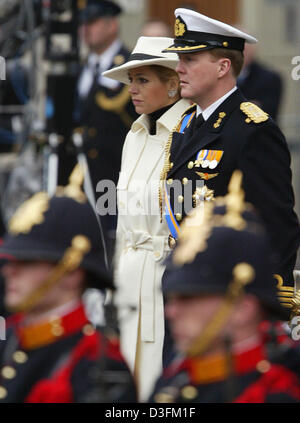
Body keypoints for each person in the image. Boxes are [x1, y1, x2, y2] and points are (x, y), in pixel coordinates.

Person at [161, 8, 300, 288]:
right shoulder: (186, 124)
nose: (179, 68)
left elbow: (278, 228)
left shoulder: (253, 129)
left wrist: (267, 302)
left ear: (223, 67)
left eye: (190, 59)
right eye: (179, 59)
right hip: (185, 284)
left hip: (227, 293)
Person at [152, 171, 300, 403]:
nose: (171, 311)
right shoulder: (172, 383)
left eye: (189, 298)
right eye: (172, 298)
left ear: (243, 308)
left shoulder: (277, 393)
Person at [0, 165, 136, 403]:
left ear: (71, 272)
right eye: (12, 260)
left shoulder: (99, 366)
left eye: (28, 261)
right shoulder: (10, 338)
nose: (10, 270)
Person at [102, 36, 190, 401]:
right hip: (129, 278)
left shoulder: (190, 132)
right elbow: (124, 220)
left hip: (164, 275)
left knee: (160, 382)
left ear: (172, 84)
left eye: (143, 80)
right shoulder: (134, 135)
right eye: (130, 81)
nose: (132, 91)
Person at [74, 0, 138, 238]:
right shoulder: (83, 66)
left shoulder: (129, 65)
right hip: (84, 174)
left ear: (112, 26)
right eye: (82, 24)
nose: (85, 30)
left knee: (112, 238)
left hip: (116, 173)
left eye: (92, 23)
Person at [237, 36, 283, 121]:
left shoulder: (270, 78)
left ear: (253, 51)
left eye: (245, 50)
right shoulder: (222, 76)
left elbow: (269, 110)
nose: (242, 54)